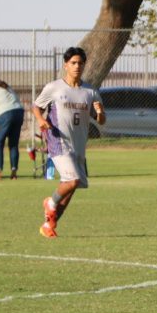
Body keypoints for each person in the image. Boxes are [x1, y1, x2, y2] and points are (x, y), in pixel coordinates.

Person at [33, 47, 106, 238]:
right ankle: (50, 203)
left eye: (80, 63)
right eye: (73, 63)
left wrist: (100, 113)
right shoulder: (54, 87)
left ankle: (49, 225)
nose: (77, 66)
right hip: (58, 140)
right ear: (66, 65)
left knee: (71, 188)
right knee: (71, 181)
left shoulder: (90, 91)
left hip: (79, 144)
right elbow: (36, 106)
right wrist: (41, 120)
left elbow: (101, 121)